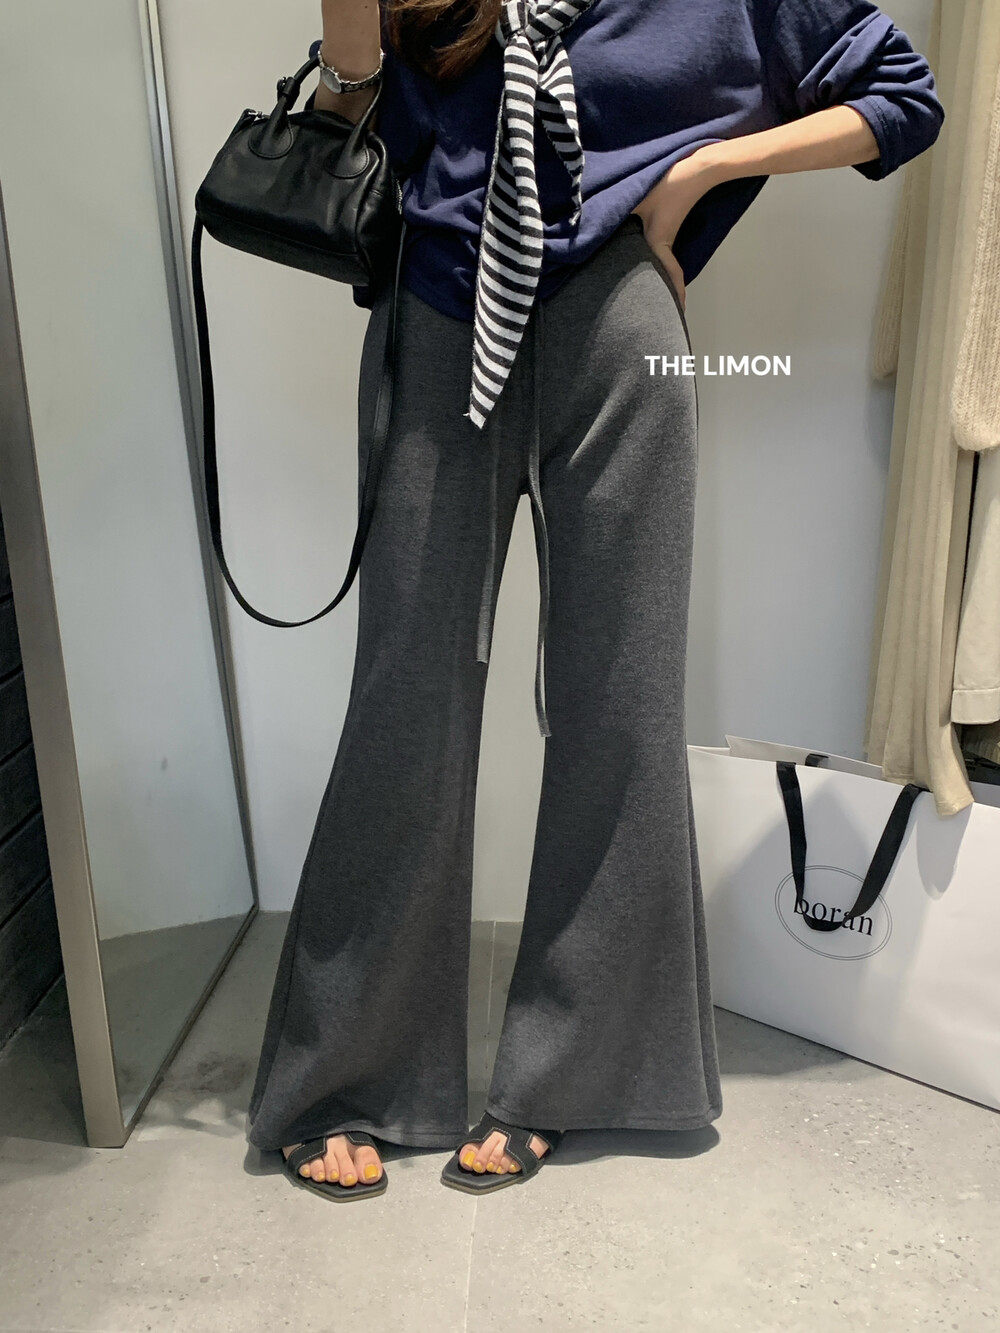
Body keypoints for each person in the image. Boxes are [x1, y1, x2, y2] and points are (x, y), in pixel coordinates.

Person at [247, 0, 944, 1199]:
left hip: (620, 321)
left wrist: (701, 173)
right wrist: (353, 39)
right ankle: (346, 1076)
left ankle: (576, 1074)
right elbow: (369, 131)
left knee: (618, 702)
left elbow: (900, 98)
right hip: (436, 314)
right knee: (403, 703)